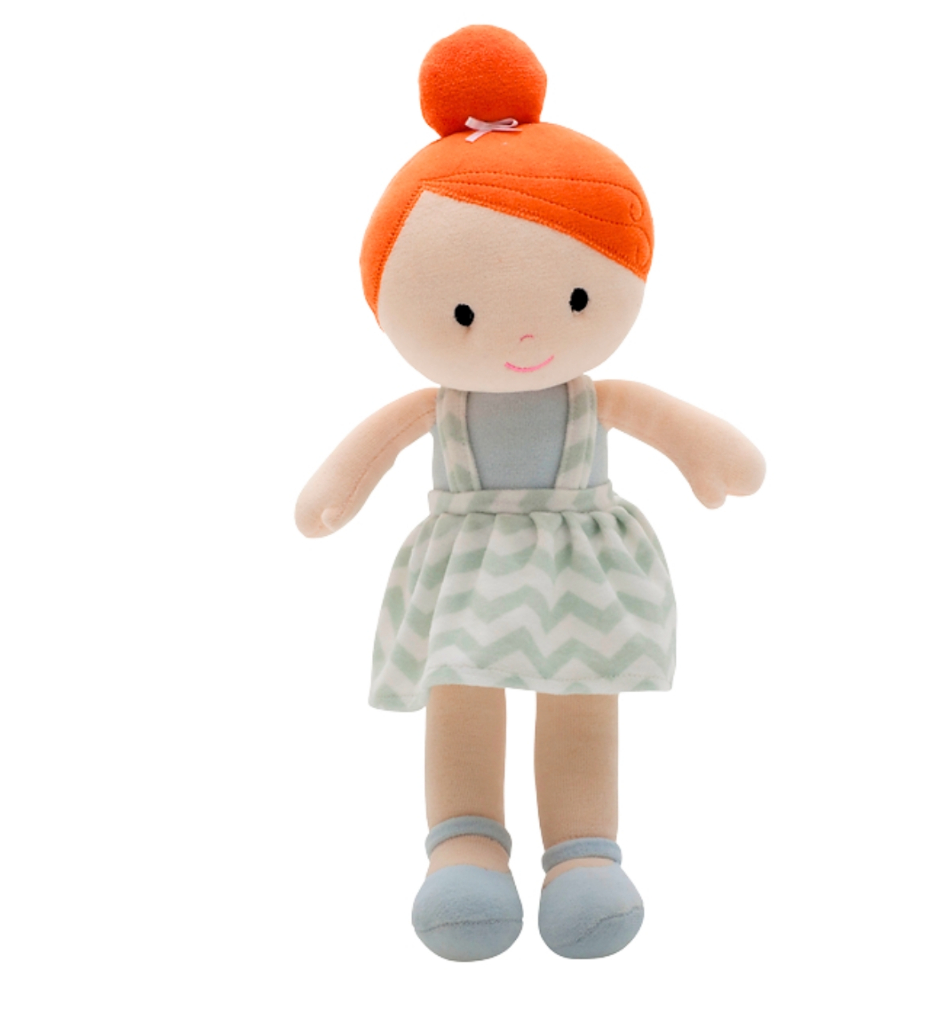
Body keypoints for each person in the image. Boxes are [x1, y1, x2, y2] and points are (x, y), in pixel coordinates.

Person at [296, 25, 765, 961]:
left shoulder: (595, 397)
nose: (522, 339)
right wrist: (335, 492)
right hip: (469, 564)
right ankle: (464, 846)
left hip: (578, 565)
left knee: (581, 694)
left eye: (577, 299)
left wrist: (708, 456)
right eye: (465, 313)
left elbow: (676, 425)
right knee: (462, 693)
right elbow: (363, 457)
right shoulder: (441, 406)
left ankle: (583, 855)